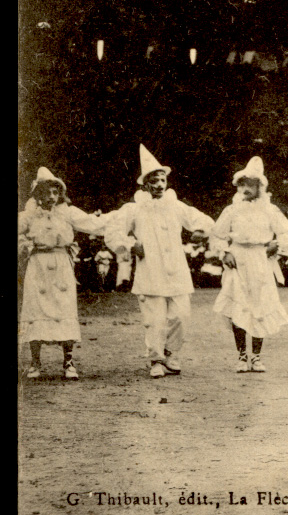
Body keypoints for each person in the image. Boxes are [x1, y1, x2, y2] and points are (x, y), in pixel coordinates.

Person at [105, 146, 213, 378]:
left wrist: (200, 231)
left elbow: (202, 220)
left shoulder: (176, 206)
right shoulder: (134, 209)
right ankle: (155, 359)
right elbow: (113, 232)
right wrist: (130, 244)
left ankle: (171, 353)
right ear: (145, 185)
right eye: (154, 181)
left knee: (181, 315)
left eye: (162, 180)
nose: (159, 185)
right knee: (154, 319)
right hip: (151, 269)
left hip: (176, 269)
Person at [209, 156, 288, 373]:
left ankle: (256, 357)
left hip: (260, 259)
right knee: (238, 306)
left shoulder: (270, 210)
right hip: (238, 260)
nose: (245, 189)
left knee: (260, 306)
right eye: (241, 184)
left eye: (250, 184)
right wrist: (224, 252)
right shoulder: (232, 210)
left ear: (260, 187)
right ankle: (242, 356)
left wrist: (277, 245)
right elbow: (217, 234)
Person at [18, 168, 106, 380]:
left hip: (61, 265)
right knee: (35, 308)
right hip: (38, 265)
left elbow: (94, 223)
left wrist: (122, 218)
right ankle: (35, 363)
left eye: (55, 192)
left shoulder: (68, 213)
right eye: (46, 192)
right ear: (38, 194)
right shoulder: (29, 215)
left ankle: (68, 362)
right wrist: (24, 244)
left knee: (64, 307)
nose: (51, 197)